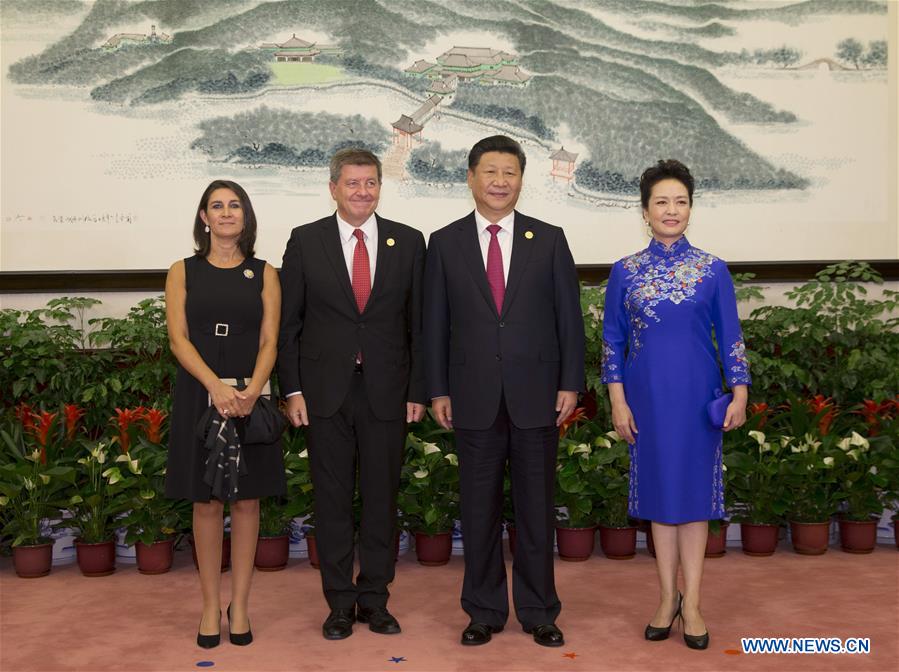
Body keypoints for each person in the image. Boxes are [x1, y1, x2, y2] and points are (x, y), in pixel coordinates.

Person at [424, 135, 585, 648]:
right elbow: (434, 325)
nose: (499, 181)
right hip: (471, 396)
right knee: (478, 511)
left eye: (509, 172)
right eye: (490, 172)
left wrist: (570, 383)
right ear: (471, 177)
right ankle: (484, 611)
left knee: (536, 510)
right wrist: (438, 389)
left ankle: (540, 610)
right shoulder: (444, 243)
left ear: (521, 179)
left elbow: (569, 321)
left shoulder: (550, 239)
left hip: (538, 394)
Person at [277, 148, 426, 640]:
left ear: (380, 187)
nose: (363, 191)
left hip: (388, 390)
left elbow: (419, 326)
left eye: (371, 183)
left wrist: (419, 390)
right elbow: (289, 324)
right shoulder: (305, 241)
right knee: (333, 500)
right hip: (324, 393)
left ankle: (376, 600)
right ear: (333, 188)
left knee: (382, 501)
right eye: (353, 183)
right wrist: (292, 389)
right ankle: (340, 602)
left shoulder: (408, 242)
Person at [601, 159, 749, 650]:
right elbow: (612, 343)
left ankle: (696, 604)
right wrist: (618, 403)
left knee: (695, 504)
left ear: (691, 208)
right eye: (661, 202)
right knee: (660, 503)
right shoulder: (624, 271)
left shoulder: (713, 270)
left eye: (680, 201)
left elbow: (731, 337)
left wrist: (741, 392)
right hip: (646, 402)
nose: (671, 210)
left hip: (697, 400)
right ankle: (666, 598)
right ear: (645, 211)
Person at [165, 180, 286, 648]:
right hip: (201, 392)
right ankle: (210, 607)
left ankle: (241, 606)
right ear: (204, 218)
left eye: (234, 205)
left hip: (250, 393)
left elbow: (270, 339)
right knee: (206, 501)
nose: (226, 213)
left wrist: (253, 390)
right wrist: (215, 386)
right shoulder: (182, 270)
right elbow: (178, 338)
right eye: (217, 206)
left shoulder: (265, 272)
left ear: (245, 216)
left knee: (248, 501)